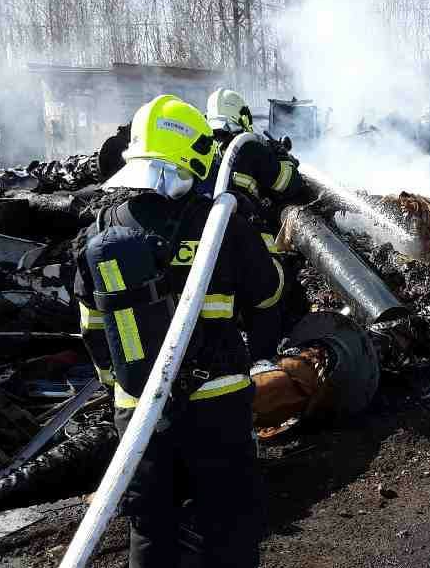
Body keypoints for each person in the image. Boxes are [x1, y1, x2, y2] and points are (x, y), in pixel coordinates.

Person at [73, 95, 283, 568]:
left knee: (150, 529)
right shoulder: (222, 223)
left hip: (138, 412)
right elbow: (268, 295)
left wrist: (119, 385)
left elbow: (90, 324)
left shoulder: (103, 231)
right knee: (227, 526)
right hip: (218, 404)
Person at [202, 88, 309, 250]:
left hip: (210, 236)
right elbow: (289, 184)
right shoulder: (248, 147)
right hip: (252, 237)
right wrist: (282, 157)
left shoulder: (204, 147)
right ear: (243, 116)